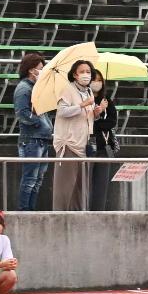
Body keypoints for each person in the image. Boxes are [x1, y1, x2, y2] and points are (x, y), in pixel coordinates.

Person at [50, 59, 102, 211]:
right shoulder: (68, 89)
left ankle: (78, 216)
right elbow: (62, 111)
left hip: (83, 145)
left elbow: (86, 116)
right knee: (65, 188)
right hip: (69, 144)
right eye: (82, 72)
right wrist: (83, 105)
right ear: (74, 74)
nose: (86, 75)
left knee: (80, 188)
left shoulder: (89, 91)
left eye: (88, 72)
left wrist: (96, 113)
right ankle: (59, 217)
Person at [13, 53, 52, 211]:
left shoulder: (36, 88)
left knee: (38, 179)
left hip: (41, 139)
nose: (41, 71)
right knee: (30, 179)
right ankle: (24, 210)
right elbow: (22, 113)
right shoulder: (23, 89)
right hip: (31, 140)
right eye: (40, 69)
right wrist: (38, 122)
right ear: (31, 70)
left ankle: (31, 209)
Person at [87, 77, 120, 210]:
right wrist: (98, 114)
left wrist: (98, 121)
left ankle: (98, 211)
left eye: (99, 80)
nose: (97, 82)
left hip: (103, 148)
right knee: (86, 183)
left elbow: (112, 122)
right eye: (94, 79)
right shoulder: (86, 99)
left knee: (101, 184)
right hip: (86, 146)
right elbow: (87, 124)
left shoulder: (107, 101)